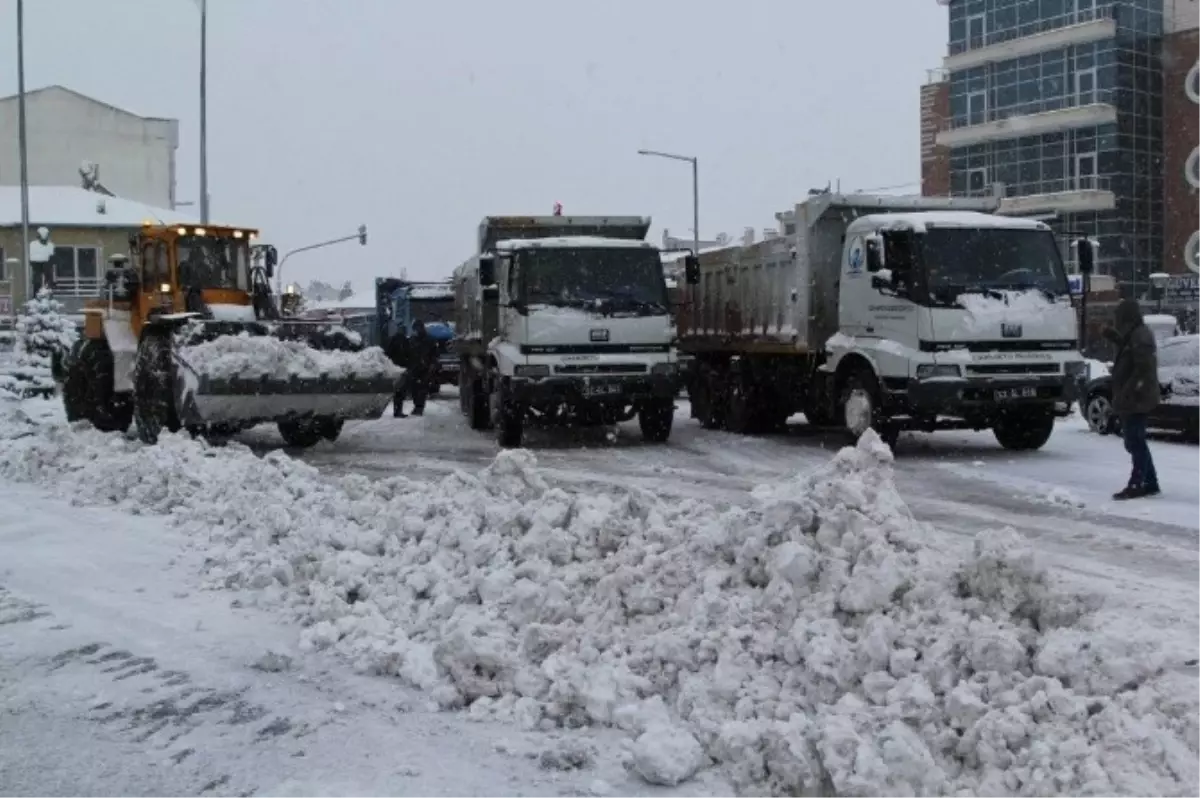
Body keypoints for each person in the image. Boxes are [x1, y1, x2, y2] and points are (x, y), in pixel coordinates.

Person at [1104, 298, 1161, 500]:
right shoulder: (1135, 333)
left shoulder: (1141, 335)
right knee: (1135, 441)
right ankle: (1150, 482)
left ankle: (1138, 483)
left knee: (1135, 441)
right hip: (1133, 396)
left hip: (1137, 397)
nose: (1117, 321)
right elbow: (1129, 349)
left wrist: (1128, 390)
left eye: (1119, 317)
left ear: (1127, 317)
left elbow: (1143, 368)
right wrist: (1114, 338)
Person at [407, 320, 435, 416]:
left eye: (418, 328)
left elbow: (434, 354)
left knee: (422, 388)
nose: (417, 330)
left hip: (425, 367)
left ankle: (419, 408)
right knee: (414, 389)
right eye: (415, 328)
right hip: (414, 367)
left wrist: (432, 364)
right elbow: (408, 353)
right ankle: (417, 406)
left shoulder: (430, 339)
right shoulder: (412, 339)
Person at [385, 325, 410, 418]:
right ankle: (398, 411)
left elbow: (388, 353)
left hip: (395, 368)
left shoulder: (393, 340)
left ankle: (397, 411)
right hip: (401, 368)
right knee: (400, 391)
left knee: (398, 391)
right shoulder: (404, 341)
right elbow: (409, 354)